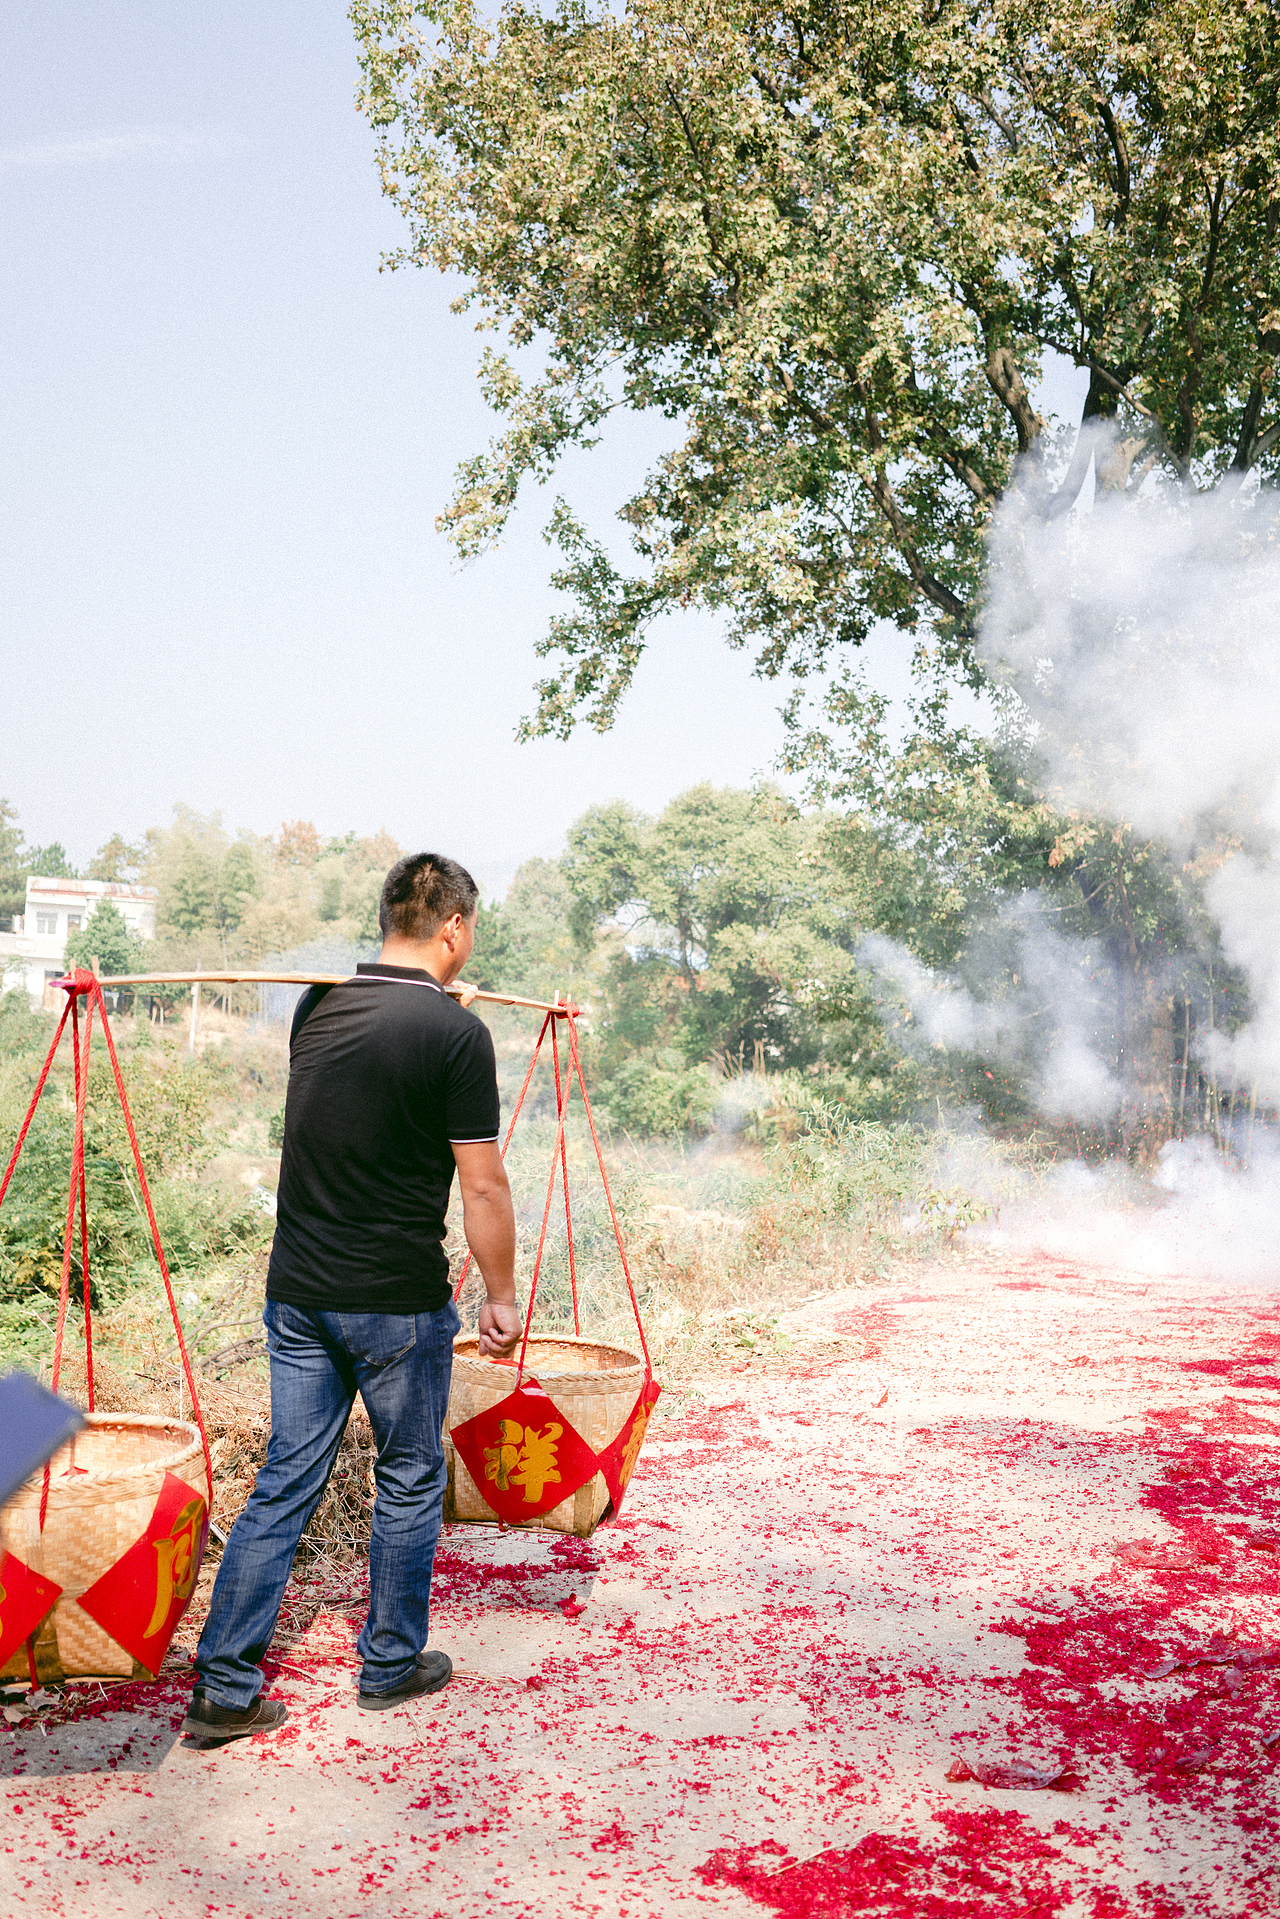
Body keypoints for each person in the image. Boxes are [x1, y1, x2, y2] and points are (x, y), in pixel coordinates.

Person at [184, 853, 521, 1740]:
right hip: (394, 1302)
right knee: (408, 1474)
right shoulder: (455, 1037)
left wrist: (448, 1016)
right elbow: (483, 1188)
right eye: (469, 929)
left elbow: (378, 1068)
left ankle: (223, 1686)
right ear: (454, 928)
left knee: (286, 1476)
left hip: (297, 1288)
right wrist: (503, 1292)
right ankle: (390, 1661)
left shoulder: (317, 1004)